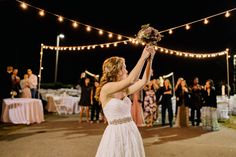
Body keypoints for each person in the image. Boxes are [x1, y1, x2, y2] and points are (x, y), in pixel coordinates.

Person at [95, 45, 156, 157]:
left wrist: (149, 60)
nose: (127, 70)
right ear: (117, 71)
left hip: (130, 130)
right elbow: (131, 79)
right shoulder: (106, 88)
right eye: (124, 68)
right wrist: (142, 57)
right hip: (115, 134)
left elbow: (144, 81)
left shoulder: (124, 90)